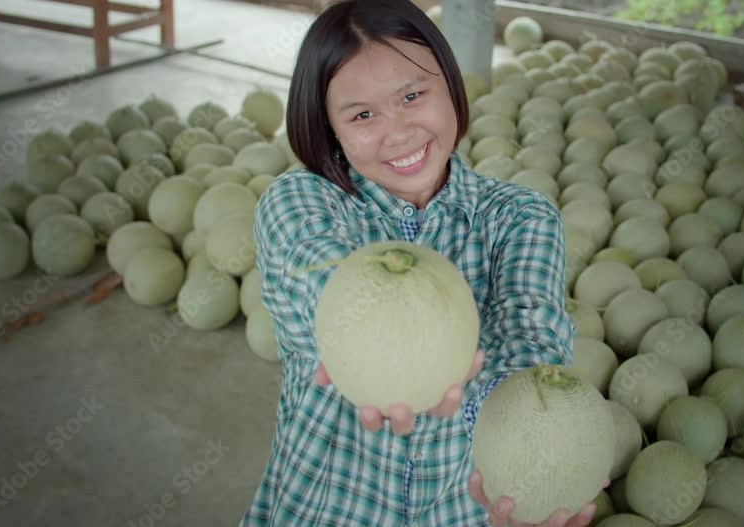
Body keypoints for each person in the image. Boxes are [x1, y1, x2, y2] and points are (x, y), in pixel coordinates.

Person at [242, 1, 603, 525]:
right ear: (329, 126)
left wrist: (540, 451)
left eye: (412, 96)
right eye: (363, 114)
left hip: (462, 509)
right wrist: (376, 335)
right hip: (326, 505)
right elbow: (320, 278)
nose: (398, 131)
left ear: (451, 85)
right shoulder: (299, 201)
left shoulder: (521, 218)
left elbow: (531, 351)